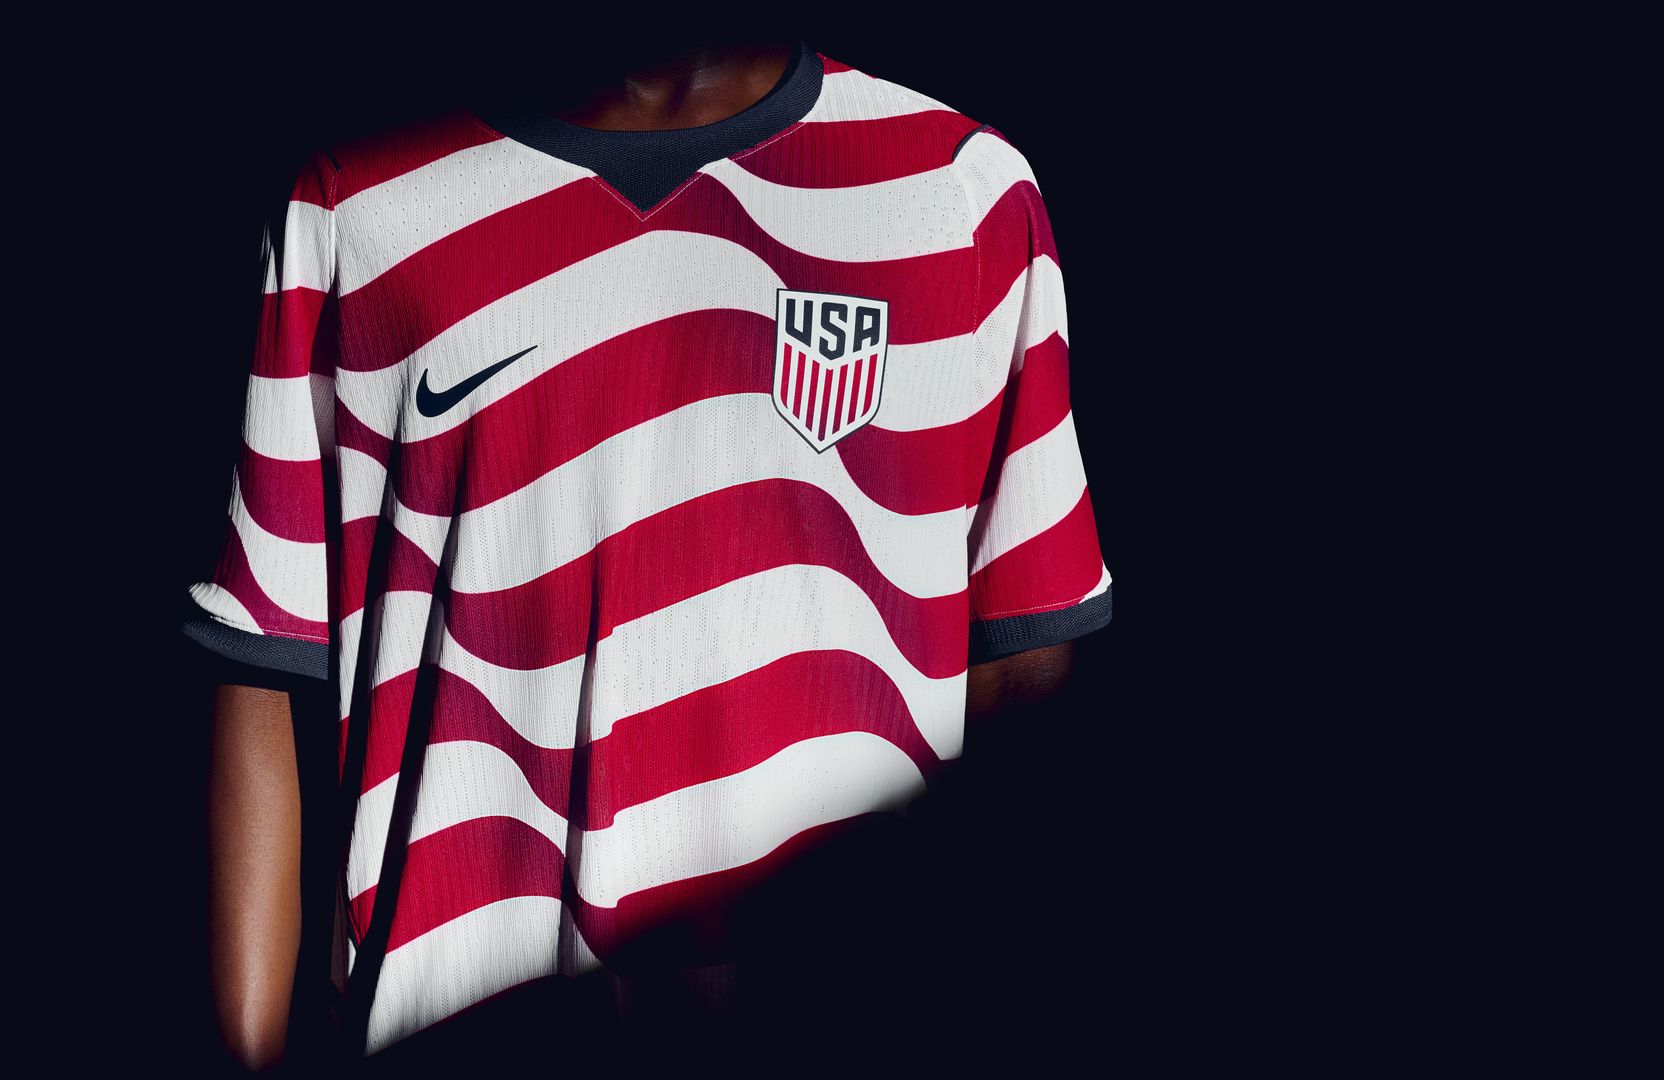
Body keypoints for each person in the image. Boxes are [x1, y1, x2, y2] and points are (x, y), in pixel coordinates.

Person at [180, 33, 1114, 1070]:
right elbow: (263, 666)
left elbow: (1028, 675)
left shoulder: (961, 194)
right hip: (452, 1024)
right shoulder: (356, 206)